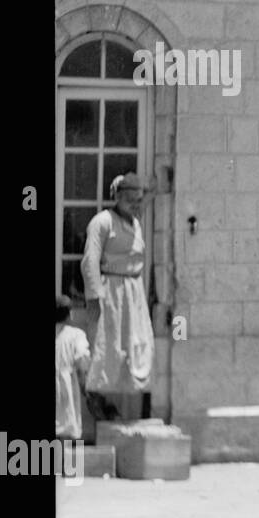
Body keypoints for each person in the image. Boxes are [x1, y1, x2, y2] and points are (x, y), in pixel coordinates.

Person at [81, 172, 154, 422]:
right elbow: (89, 260)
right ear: (118, 198)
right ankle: (96, 397)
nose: (135, 204)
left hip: (133, 291)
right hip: (110, 290)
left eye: (139, 200)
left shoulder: (136, 223)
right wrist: (94, 298)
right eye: (130, 199)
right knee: (107, 346)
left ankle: (128, 406)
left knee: (133, 347)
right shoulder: (102, 222)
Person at [56, 294, 91, 440]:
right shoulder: (77, 335)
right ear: (70, 314)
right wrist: (84, 385)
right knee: (71, 427)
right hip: (67, 384)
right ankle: (74, 463)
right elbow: (81, 360)